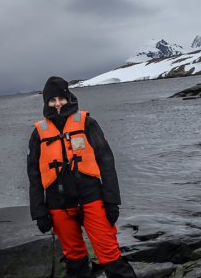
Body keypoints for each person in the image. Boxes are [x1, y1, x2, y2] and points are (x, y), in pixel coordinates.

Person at [27, 76, 136, 278]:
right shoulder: (38, 133)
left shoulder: (87, 123)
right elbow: (33, 175)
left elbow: (107, 163)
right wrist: (39, 211)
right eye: (52, 100)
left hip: (91, 198)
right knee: (74, 258)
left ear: (68, 98)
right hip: (58, 204)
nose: (57, 104)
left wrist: (112, 201)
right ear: (46, 103)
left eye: (61, 98)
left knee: (109, 253)